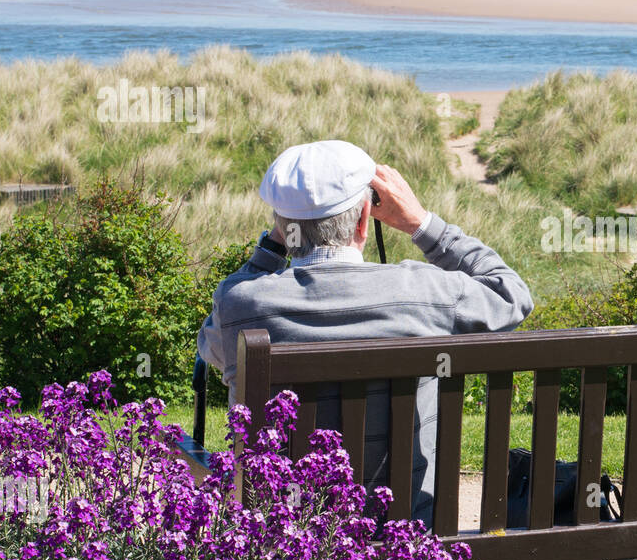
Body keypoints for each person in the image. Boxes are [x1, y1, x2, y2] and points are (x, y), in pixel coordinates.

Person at [197, 139, 532, 524]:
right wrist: (421, 223)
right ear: (363, 220)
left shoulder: (242, 305)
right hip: (406, 536)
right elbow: (512, 296)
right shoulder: (425, 292)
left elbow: (214, 349)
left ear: (282, 226)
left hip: (282, 547)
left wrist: (272, 247)